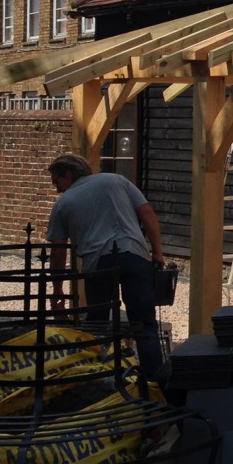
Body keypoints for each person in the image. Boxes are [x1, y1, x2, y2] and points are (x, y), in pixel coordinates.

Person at [45, 153, 165, 382]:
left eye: (56, 182)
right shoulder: (116, 180)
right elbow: (147, 213)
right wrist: (157, 252)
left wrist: (57, 290)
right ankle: (155, 383)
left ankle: (98, 379)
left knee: (98, 323)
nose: (57, 189)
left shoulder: (63, 204)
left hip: (98, 263)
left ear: (68, 174)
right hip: (134, 255)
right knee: (144, 324)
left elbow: (58, 252)